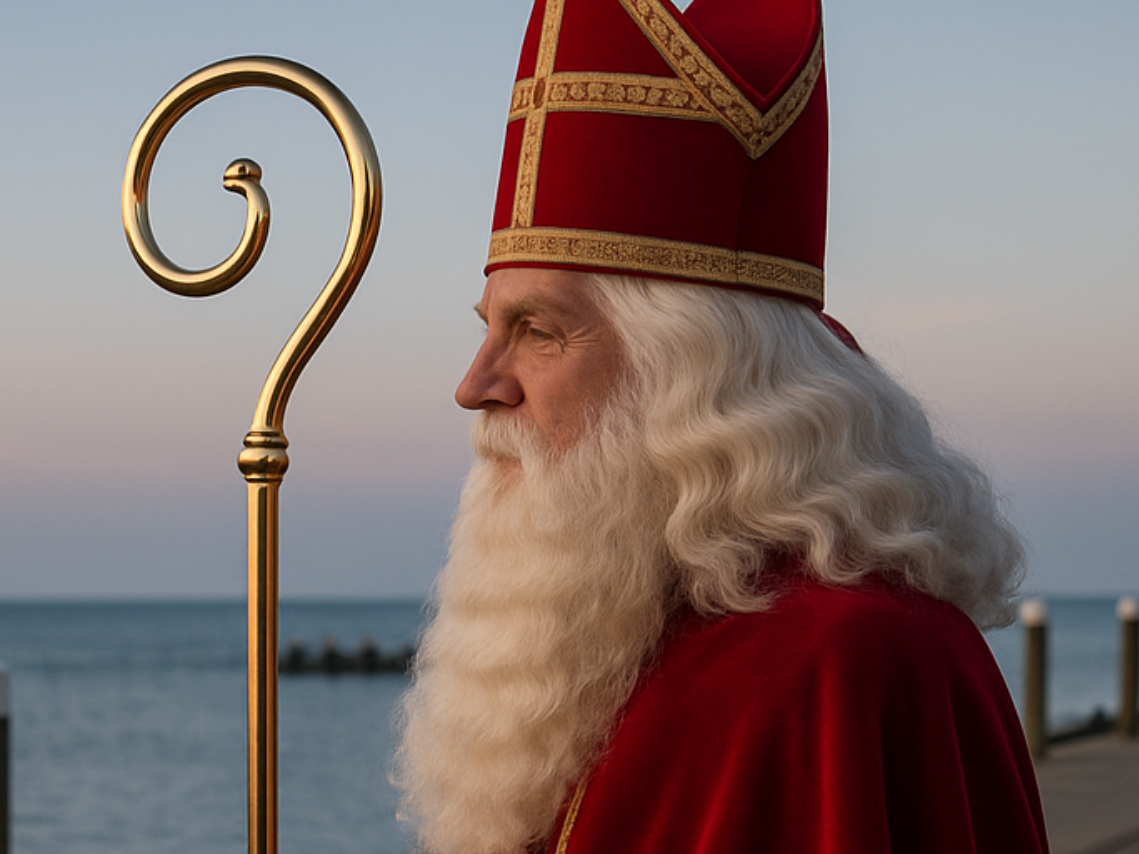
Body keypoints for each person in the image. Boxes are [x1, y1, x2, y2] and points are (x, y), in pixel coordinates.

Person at [393, 0, 1050, 851]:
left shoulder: (849, 658)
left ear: (698, 374)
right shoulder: (610, 640)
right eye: (486, 329)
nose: (475, 386)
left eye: (539, 331)